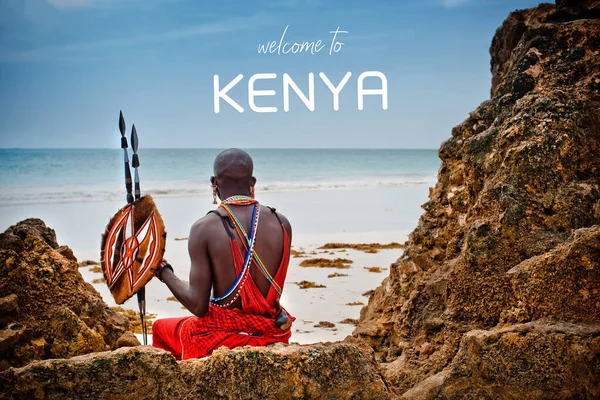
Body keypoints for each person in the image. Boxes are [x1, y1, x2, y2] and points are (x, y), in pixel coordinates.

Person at [151, 148, 294, 360]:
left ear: (213, 183)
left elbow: (198, 306)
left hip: (222, 339)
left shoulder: (204, 228)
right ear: (252, 182)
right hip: (272, 333)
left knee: (160, 327)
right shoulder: (282, 223)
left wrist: (163, 272)